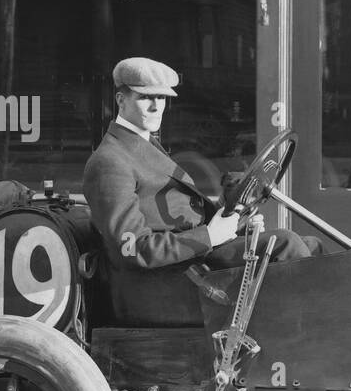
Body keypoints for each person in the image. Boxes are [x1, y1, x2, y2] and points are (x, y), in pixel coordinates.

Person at [83, 57, 318, 326]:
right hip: (162, 287)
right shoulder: (110, 161)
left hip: (191, 264)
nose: (156, 107)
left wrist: (234, 221)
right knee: (286, 245)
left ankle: (319, 335)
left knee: (311, 245)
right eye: (144, 98)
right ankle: (315, 340)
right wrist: (210, 235)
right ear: (120, 100)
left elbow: (180, 213)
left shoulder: (141, 146)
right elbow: (133, 249)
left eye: (161, 98)